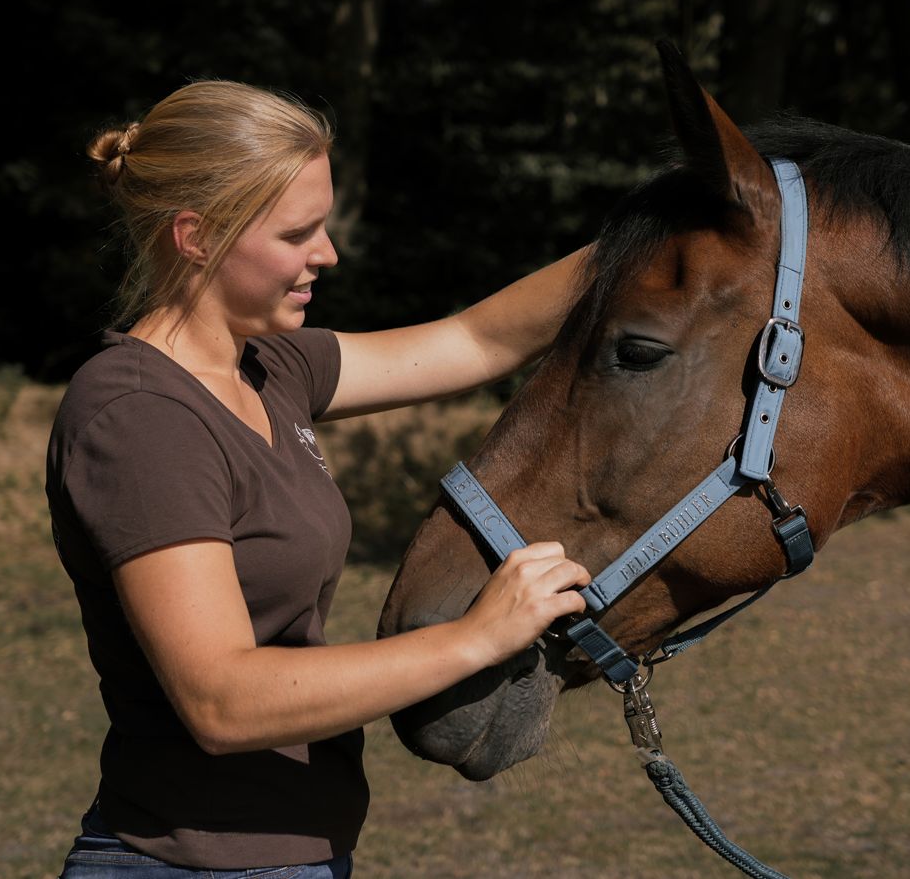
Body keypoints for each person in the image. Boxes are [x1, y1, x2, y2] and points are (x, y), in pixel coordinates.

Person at [46, 80, 592, 878]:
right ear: (195, 235)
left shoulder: (270, 366)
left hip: (296, 855)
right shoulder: (139, 416)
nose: (328, 252)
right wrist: (475, 638)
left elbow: (475, 340)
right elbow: (222, 699)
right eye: (298, 232)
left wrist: (666, 236)